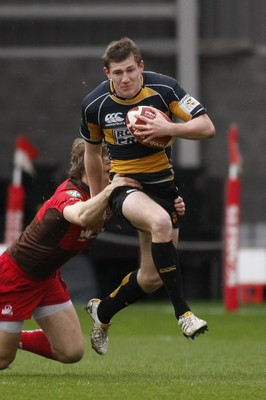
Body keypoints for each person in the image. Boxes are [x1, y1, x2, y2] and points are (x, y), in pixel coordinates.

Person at [80, 37, 216, 355]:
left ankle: (103, 312)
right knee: (158, 223)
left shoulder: (164, 89)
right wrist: (100, 201)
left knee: (152, 277)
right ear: (107, 73)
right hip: (127, 185)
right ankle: (183, 313)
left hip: (164, 186)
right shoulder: (94, 105)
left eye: (130, 70)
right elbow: (92, 155)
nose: (125, 78)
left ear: (141, 67)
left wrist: (168, 129)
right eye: (117, 73)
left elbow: (207, 127)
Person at [0, 138, 144, 370]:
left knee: (71, 352)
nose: (115, 172)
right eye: (109, 167)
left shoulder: (106, 193)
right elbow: (84, 217)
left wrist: (171, 205)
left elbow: (140, 210)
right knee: (2, 360)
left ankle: (10, 336)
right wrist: (110, 190)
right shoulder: (69, 195)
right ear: (90, 166)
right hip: (16, 276)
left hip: (47, 278)